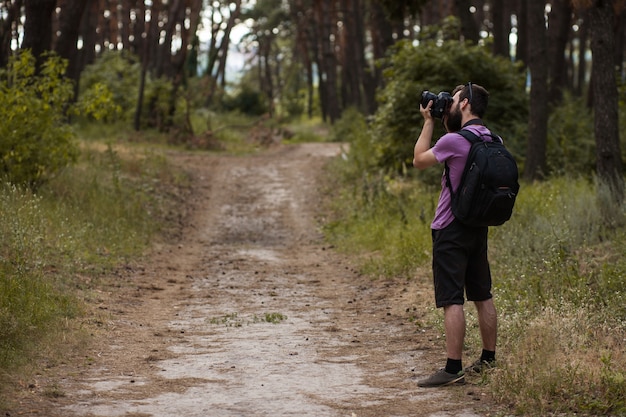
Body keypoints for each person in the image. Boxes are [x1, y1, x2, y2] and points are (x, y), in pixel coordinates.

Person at [412, 83, 498, 387]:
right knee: (482, 294)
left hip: (450, 227)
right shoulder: (491, 137)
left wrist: (428, 121)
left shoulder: (453, 140)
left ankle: (452, 369)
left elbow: (419, 159)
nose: (451, 100)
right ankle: (489, 359)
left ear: (464, 105)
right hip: (478, 226)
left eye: (456, 97)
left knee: (452, 300)